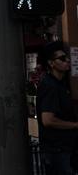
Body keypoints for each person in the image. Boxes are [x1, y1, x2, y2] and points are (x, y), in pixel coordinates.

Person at [37, 42, 78, 175]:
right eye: (61, 58)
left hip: (64, 148)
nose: (67, 60)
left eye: (66, 57)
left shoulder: (61, 84)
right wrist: (75, 125)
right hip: (56, 150)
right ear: (51, 63)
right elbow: (48, 120)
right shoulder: (50, 85)